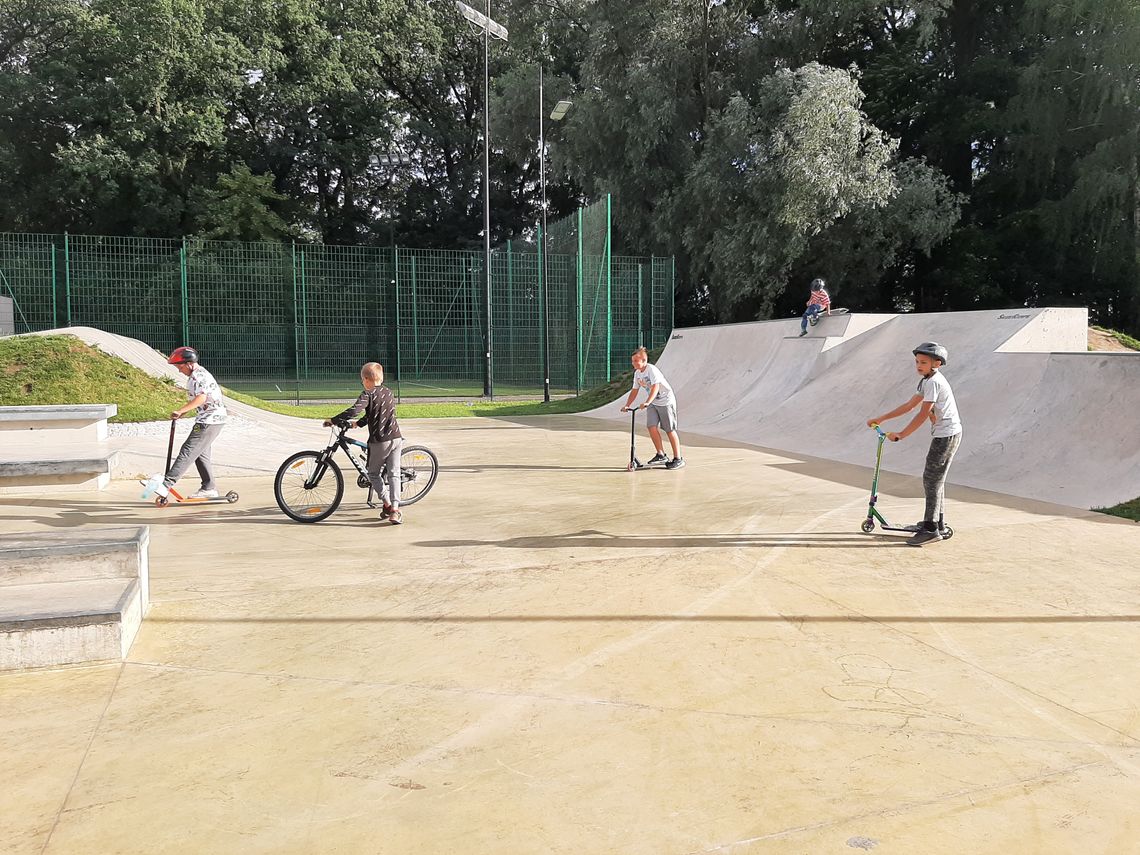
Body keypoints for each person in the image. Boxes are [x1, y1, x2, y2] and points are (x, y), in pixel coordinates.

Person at [866, 342, 962, 547]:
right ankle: (939, 523)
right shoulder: (926, 381)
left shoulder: (934, 382)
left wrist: (902, 434)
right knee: (936, 479)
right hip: (943, 434)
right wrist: (881, 418)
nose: (919, 365)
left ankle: (931, 528)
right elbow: (910, 406)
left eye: (924, 362)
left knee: (932, 479)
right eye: (917, 361)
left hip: (947, 435)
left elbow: (921, 413)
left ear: (937, 363)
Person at [324, 362, 404, 524]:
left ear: (366, 380)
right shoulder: (388, 392)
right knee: (394, 473)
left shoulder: (368, 394)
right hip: (396, 437)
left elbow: (354, 410)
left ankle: (387, 503)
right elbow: (374, 413)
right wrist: (358, 424)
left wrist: (333, 420)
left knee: (372, 474)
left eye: (362, 380)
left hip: (380, 441)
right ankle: (395, 510)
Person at [164, 346, 228, 498]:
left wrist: (181, 410)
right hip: (211, 419)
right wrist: (183, 412)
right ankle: (209, 487)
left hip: (209, 421)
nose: (179, 370)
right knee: (200, 454)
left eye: (180, 367)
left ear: (189, 364)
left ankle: (166, 483)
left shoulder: (198, 377)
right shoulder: (198, 374)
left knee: (188, 450)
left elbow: (202, 398)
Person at [621, 346, 684, 470]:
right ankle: (661, 455)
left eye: (635, 361)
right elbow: (634, 390)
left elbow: (655, 387)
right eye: (632, 361)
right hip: (653, 402)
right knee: (651, 426)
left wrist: (647, 402)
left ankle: (678, 459)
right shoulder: (637, 374)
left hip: (666, 401)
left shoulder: (652, 370)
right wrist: (627, 405)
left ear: (644, 361)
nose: (633, 363)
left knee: (669, 429)